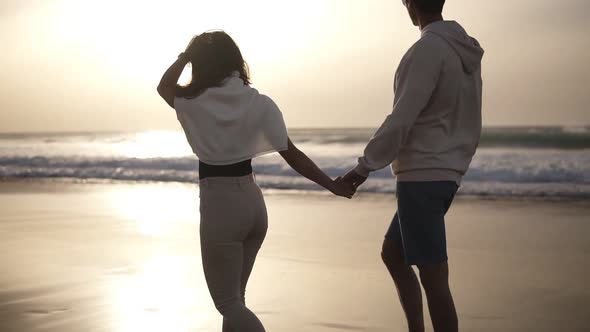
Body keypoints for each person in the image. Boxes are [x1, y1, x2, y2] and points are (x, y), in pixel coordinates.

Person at [157, 31, 354, 332]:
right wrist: (332, 185)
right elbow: (292, 153)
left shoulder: (193, 100)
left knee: (227, 302)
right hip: (253, 205)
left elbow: (163, 86)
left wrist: (185, 55)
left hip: (221, 206)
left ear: (199, 62)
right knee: (236, 300)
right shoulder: (258, 102)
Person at [340, 0, 484, 331]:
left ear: (410, 4)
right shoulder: (464, 53)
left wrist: (363, 167)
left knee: (434, 280)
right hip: (445, 174)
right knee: (393, 253)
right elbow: (470, 118)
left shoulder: (426, 50)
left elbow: (401, 119)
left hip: (422, 176)